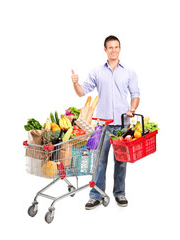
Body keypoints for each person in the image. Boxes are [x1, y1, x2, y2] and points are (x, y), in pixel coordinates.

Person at [71, 35, 140, 210]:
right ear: (105, 50)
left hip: (123, 124)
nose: (114, 50)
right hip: (103, 125)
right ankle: (96, 195)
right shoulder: (96, 72)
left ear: (120, 49)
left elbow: (135, 93)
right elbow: (82, 92)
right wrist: (76, 83)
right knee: (99, 161)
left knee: (121, 161)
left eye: (116, 47)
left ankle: (119, 193)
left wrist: (132, 109)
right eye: (110, 47)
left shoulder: (129, 72)